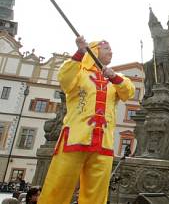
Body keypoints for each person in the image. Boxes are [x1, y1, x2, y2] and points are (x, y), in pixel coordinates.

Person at [39, 36, 135, 204]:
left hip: (103, 142)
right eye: (107, 48)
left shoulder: (114, 78)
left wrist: (114, 76)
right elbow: (64, 78)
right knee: (59, 185)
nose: (111, 51)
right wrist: (79, 53)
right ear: (95, 51)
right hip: (75, 138)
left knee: (97, 193)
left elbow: (129, 92)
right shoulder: (79, 72)